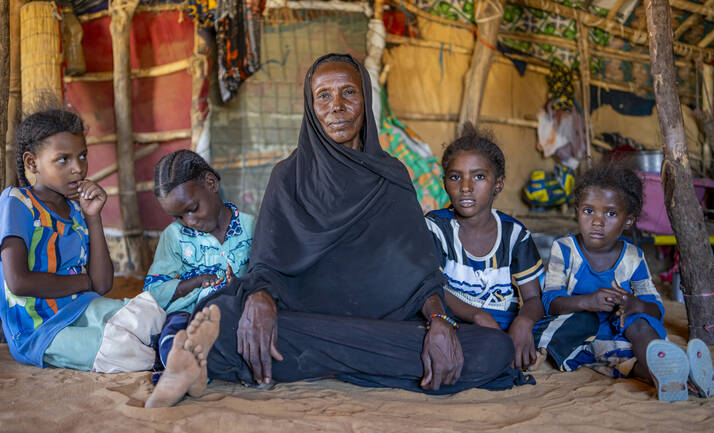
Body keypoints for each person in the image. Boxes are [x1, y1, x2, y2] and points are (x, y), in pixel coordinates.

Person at [144, 53, 521, 408]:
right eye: (323, 96)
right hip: (303, 319)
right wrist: (259, 295)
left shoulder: (391, 177)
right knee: (227, 313)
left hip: (382, 326)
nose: (336, 107)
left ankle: (298, 361)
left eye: (348, 93)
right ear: (311, 108)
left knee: (492, 348)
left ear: (365, 99)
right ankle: (344, 361)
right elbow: (266, 263)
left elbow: (420, 274)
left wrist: (440, 321)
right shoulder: (287, 177)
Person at [0, 109, 165, 372]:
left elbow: (102, 284)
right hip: (40, 331)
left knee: (149, 315)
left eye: (82, 156)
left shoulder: (77, 211)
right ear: (32, 163)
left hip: (82, 306)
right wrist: (82, 282)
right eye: (63, 159)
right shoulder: (16, 203)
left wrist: (93, 217)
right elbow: (19, 281)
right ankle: (172, 355)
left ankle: (172, 348)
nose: (78, 168)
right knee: (119, 348)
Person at [541, 162, 713, 401]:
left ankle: (677, 379)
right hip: (586, 337)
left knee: (638, 324)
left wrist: (635, 305)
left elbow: (655, 306)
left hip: (627, 337)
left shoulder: (633, 256)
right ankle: (683, 376)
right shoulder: (565, 249)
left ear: (629, 220)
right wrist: (587, 301)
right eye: (589, 211)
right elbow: (550, 301)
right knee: (629, 360)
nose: (598, 221)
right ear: (577, 210)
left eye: (610, 213)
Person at [424, 126, 549, 371]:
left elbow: (534, 298)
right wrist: (477, 315)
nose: (466, 186)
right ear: (445, 183)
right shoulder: (436, 227)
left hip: (506, 323)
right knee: (424, 330)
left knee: (573, 323)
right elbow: (431, 288)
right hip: (457, 321)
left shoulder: (515, 235)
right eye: (455, 176)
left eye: (479, 176)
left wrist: (523, 322)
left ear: (498, 183)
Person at [144, 150, 254, 407]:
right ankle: (179, 368)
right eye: (179, 216)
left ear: (211, 184)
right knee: (173, 332)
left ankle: (192, 371)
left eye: (192, 209)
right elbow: (154, 290)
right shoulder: (173, 237)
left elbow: (264, 276)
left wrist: (236, 284)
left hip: (232, 315)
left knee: (238, 332)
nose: (189, 221)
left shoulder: (251, 228)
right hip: (186, 314)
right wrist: (197, 281)